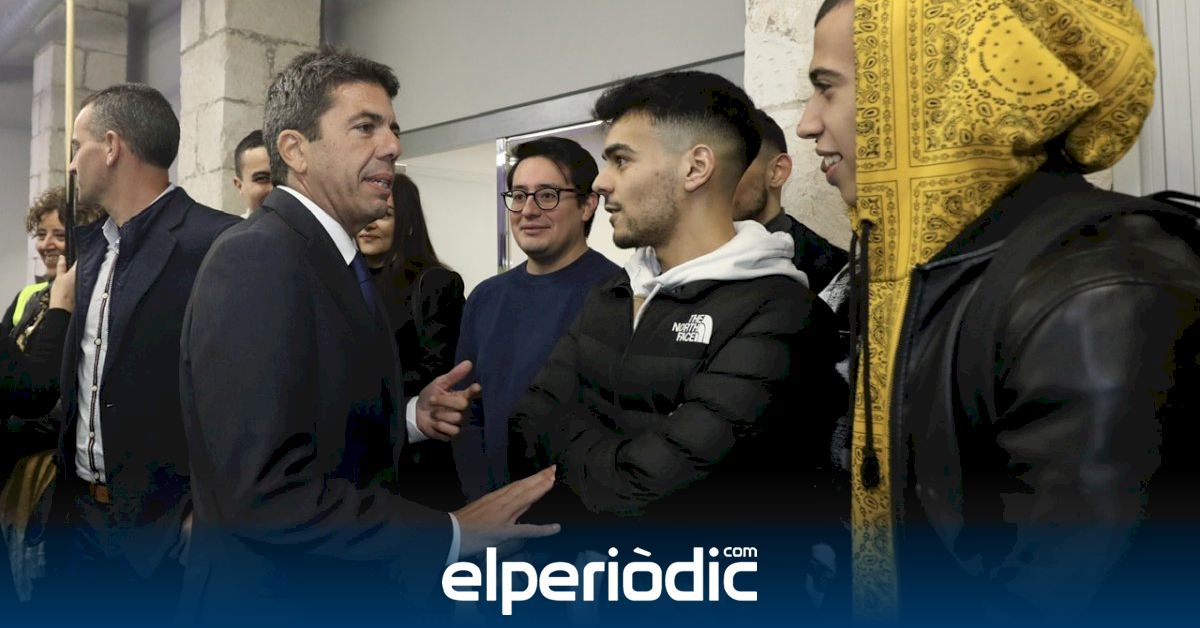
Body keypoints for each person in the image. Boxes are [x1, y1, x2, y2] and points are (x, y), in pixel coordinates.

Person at [798, 0, 1200, 622]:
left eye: (827, 88)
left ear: (938, 85)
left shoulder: (1096, 284)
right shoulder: (926, 268)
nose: (806, 123)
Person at [178, 48, 559, 623]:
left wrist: (408, 417)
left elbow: (319, 426)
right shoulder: (258, 259)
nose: (392, 146)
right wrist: (451, 532)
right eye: (365, 127)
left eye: (393, 129)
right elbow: (265, 492)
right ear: (295, 150)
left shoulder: (330, 258)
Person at [510, 69, 845, 539]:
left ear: (695, 168)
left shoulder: (783, 312)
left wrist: (573, 447)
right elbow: (526, 424)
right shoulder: (614, 292)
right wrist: (620, 455)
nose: (601, 183)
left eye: (621, 160)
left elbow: (647, 490)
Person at [46, 83, 241, 619]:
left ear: (111, 146)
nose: (72, 164)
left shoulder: (218, 243)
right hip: (79, 521)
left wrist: (206, 512)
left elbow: (240, 398)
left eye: (78, 147)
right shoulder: (91, 250)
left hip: (163, 533)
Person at [453, 136, 617, 501]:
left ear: (587, 205)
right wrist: (482, 502)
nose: (528, 210)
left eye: (547, 195)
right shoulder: (485, 297)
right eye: (519, 195)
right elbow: (468, 410)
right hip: (489, 510)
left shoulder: (618, 295)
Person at [357, 173, 466, 510]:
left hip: (417, 456)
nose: (370, 224)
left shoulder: (434, 282)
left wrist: (362, 393)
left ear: (407, 224)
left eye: (385, 214)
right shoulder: (345, 282)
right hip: (361, 456)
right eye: (365, 213)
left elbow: (436, 367)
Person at [734, 108, 846, 292]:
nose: (714, 181)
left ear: (777, 171)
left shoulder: (837, 279)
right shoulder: (691, 259)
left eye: (733, 163)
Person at [231, 129, 272, 217]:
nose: (274, 188)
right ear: (239, 185)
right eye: (262, 178)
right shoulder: (234, 226)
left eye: (283, 177)